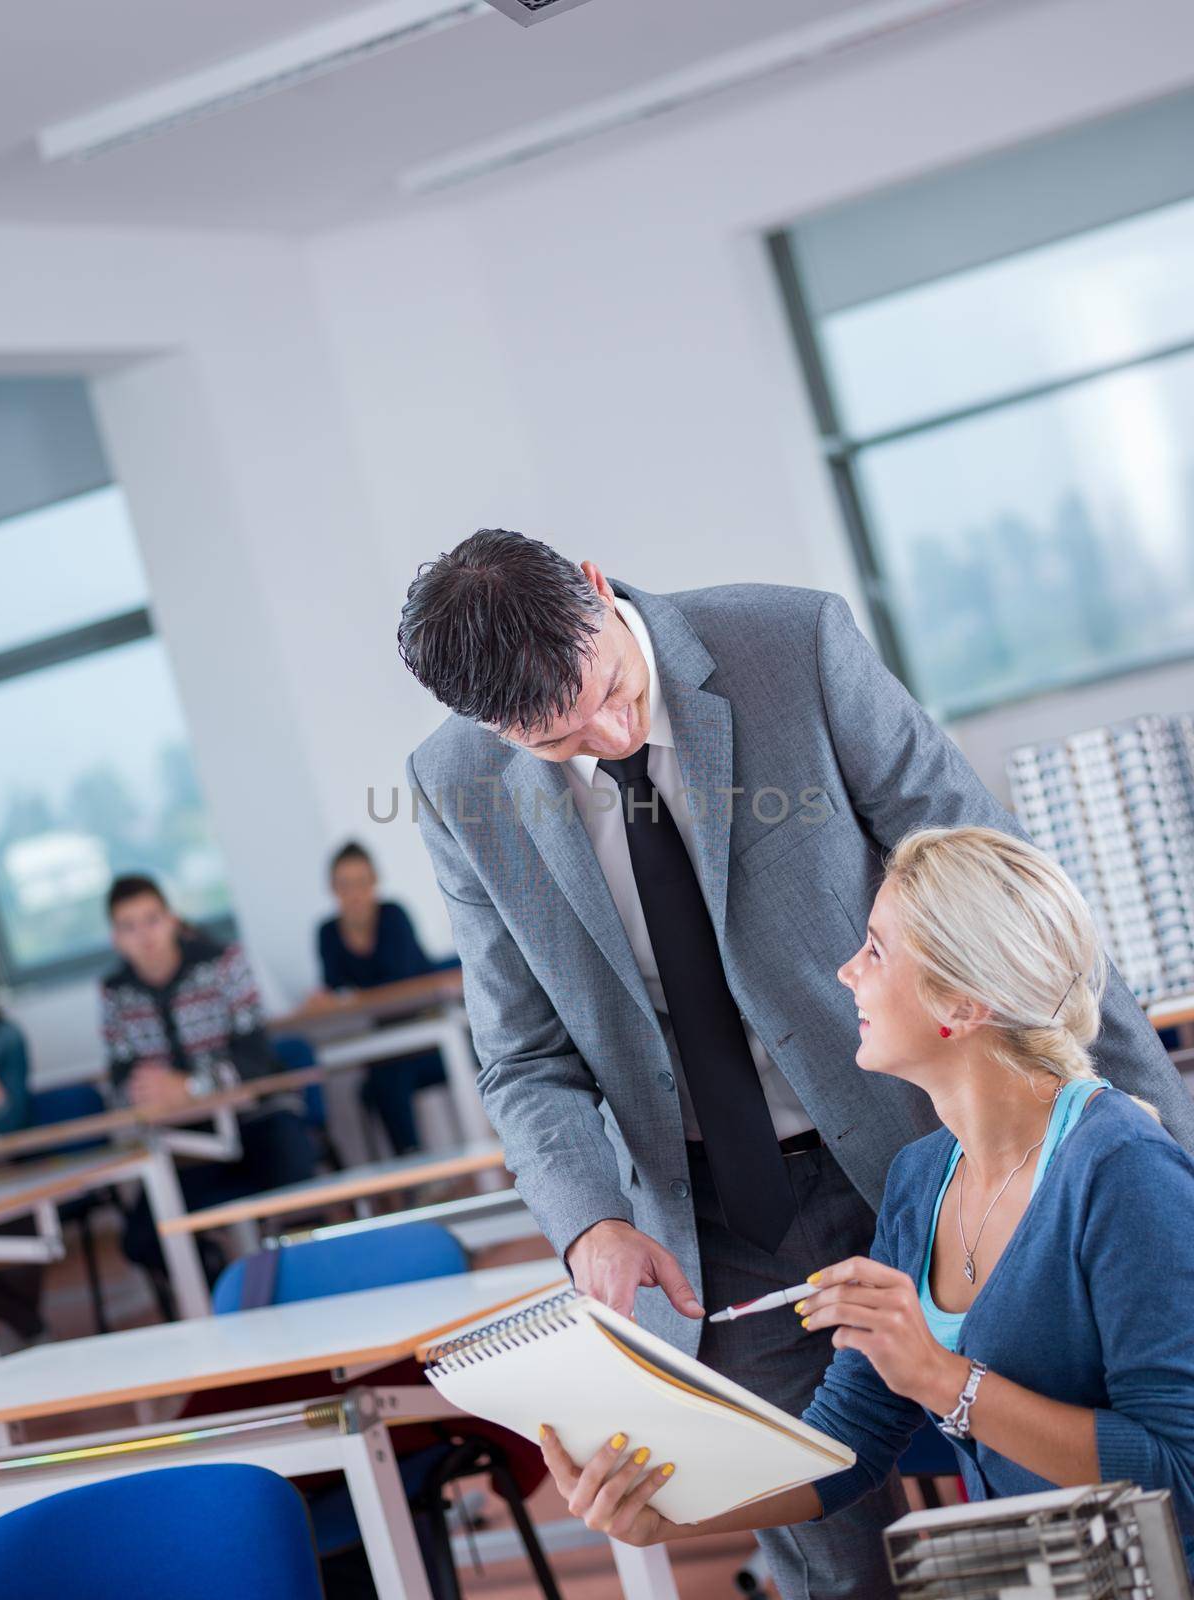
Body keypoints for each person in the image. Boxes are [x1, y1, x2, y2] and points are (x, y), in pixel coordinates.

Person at [398, 531, 1194, 1600]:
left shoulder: (792, 643)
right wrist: (593, 1225)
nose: (610, 735)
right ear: (489, 728)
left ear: (595, 589)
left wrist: (1149, 1130)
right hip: (729, 1223)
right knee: (834, 1554)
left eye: (606, 694)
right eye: (556, 740)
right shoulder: (458, 785)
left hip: (938, 1151)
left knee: (1059, 1505)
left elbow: (1003, 894)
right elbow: (522, 1055)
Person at [539, 826, 1194, 1577]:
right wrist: (671, 1511)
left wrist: (942, 1378)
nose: (847, 972)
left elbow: (1180, 1470)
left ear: (962, 1001)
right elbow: (842, 1448)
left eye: (876, 951)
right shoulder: (922, 1182)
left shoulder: (1123, 1172)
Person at [100, 875, 316, 1294]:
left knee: (296, 1184)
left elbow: (256, 1059)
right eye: (130, 926)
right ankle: (229, 1292)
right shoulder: (115, 993)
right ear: (116, 939)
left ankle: (302, 1288)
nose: (144, 936)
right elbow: (122, 1078)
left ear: (172, 920)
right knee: (142, 1238)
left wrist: (193, 1086)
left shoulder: (223, 963)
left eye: (152, 920)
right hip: (186, 1143)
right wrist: (147, 1093)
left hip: (258, 1120)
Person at [311, 840, 461, 1153]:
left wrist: (351, 997)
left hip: (429, 1037)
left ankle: (414, 1166)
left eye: (362, 883)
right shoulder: (328, 932)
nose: (354, 893)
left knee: (388, 1076)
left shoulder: (393, 915)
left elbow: (401, 982)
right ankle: (411, 1170)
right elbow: (332, 987)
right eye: (345, 885)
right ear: (333, 889)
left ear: (374, 882)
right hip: (386, 1044)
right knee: (383, 1076)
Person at [0, 1005, 47, 1345]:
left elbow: (13, 1126)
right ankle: (29, 1328)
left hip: (9, 1171)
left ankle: (27, 1329)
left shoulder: (5, 1038)